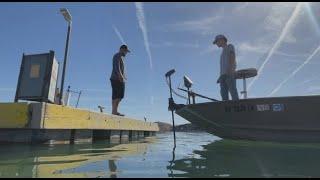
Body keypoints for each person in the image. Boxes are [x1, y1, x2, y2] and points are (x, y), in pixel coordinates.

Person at [213, 34, 239, 101]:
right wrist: (220, 77)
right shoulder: (222, 53)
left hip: (229, 74)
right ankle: (226, 107)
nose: (216, 43)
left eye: (217, 41)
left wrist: (230, 70)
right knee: (224, 95)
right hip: (223, 76)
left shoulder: (230, 46)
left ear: (222, 40)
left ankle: (237, 105)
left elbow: (232, 56)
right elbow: (223, 66)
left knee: (233, 91)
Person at [110, 45, 130, 116]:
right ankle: (114, 111)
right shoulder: (117, 55)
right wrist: (120, 76)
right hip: (117, 78)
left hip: (116, 78)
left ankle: (114, 111)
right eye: (125, 51)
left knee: (117, 96)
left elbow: (120, 68)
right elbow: (116, 66)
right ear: (121, 49)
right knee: (119, 95)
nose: (126, 53)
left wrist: (124, 76)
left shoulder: (120, 57)